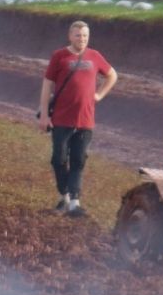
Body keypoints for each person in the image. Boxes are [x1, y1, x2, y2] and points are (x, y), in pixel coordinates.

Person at [36, 19, 116, 218]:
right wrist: (45, 114)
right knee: (58, 159)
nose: (82, 39)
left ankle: (75, 201)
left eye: (85, 36)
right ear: (70, 36)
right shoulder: (59, 56)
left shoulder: (95, 56)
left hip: (85, 120)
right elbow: (47, 85)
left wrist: (99, 95)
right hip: (62, 119)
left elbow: (112, 75)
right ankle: (65, 195)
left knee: (78, 160)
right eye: (78, 35)